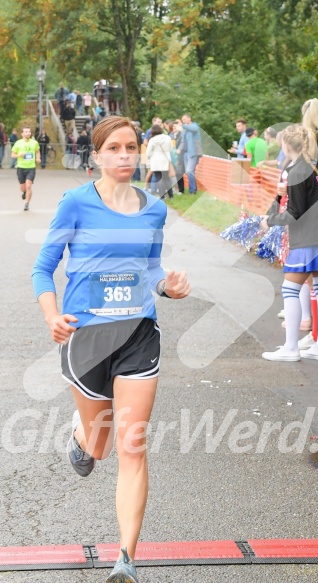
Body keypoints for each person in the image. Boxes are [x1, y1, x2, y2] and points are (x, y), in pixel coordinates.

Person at [31, 115, 190, 583]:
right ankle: (81, 437)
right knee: (99, 446)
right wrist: (51, 315)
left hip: (139, 335)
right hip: (87, 340)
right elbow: (43, 269)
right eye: (114, 148)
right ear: (96, 155)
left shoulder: (155, 209)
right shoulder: (76, 203)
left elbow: (151, 269)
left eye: (130, 147)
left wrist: (169, 286)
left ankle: (126, 559)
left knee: (132, 446)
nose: (124, 156)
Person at [261, 124, 318, 362]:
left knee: (290, 289)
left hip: (309, 238)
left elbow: (295, 212)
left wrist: (268, 221)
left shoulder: (297, 171)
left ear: (286, 146)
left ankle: (291, 348)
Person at [11, 126, 40, 211]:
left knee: (28, 185)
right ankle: (24, 192)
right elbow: (12, 155)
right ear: (22, 134)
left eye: (29, 132)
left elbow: (37, 152)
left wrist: (38, 158)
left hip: (31, 167)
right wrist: (18, 155)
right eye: (26, 132)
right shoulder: (18, 143)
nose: (28, 133)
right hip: (20, 167)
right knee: (23, 188)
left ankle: (26, 203)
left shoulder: (34, 143)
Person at [146, 124, 174, 199]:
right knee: (166, 178)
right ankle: (171, 195)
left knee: (158, 178)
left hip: (156, 161)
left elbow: (148, 152)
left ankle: (162, 196)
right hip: (165, 160)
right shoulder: (167, 138)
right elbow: (171, 148)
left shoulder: (152, 140)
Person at [181, 113, 202, 194]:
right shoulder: (185, 129)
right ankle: (192, 189)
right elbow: (183, 140)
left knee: (189, 170)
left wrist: (183, 125)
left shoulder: (194, 125)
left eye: (185, 119)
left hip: (193, 152)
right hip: (185, 153)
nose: (184, 121)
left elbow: (194, 129)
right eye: (182, 120)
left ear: (189, 118)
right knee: (189, 171)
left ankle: (193, 190)